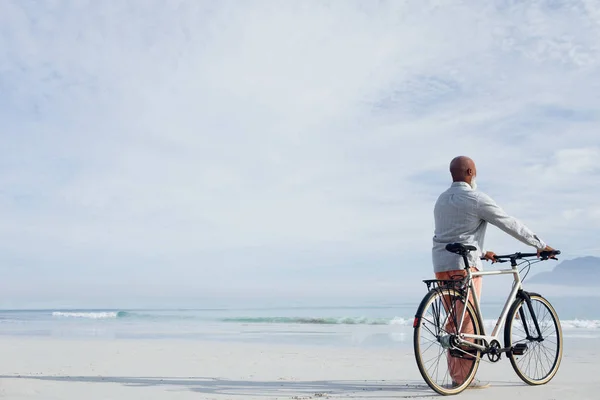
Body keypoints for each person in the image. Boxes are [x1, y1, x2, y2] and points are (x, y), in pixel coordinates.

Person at [431, 156, 555, 389]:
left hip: (441, 264)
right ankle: (462, 379)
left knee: (454, 322)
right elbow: (508, 222)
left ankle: (458, 374)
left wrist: (483, 251)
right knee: (466, 321)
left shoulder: (441, 200)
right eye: (475, 172)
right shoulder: (475, 198)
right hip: (464, 264)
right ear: (470, 172)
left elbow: (455, 233)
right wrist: (539, 244)